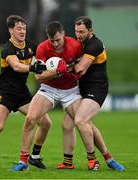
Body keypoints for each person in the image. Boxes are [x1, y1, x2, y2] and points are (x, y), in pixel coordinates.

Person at [0, 14, 51, 169]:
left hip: (22, 93)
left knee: (45, 123)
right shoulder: (7, 48)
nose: (22, 31)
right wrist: (32, 68)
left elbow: (46, 54)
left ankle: (34, 157)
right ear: (11, 30)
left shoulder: (31, 45)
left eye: (24, 28)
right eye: (18, 28)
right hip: (5, 93)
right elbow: (17, 66)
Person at [10, 21, 83, 171]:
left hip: (71, 91)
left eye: (58, 40)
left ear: (63, 34)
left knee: (84, 123)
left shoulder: (75, 46)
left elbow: (82, 66)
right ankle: (23, 161)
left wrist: (70, 69)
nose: (55, 44)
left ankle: (103, 158)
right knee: (30, 118)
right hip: (49, 89)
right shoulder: (42, 48)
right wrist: (57, 71)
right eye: (52, 41)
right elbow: (38, 77)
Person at [57, 16, 125, 171]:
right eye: (76, 32)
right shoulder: (78, 43)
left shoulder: (95, 44)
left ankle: (93, 161)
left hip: (97, 89)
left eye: (82, 32)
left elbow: (81, 69)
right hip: (81, 90)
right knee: (67, 124)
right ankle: (72, 162)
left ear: (90, 31)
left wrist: (64, 68)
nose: (79, 35)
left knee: (81, 121)